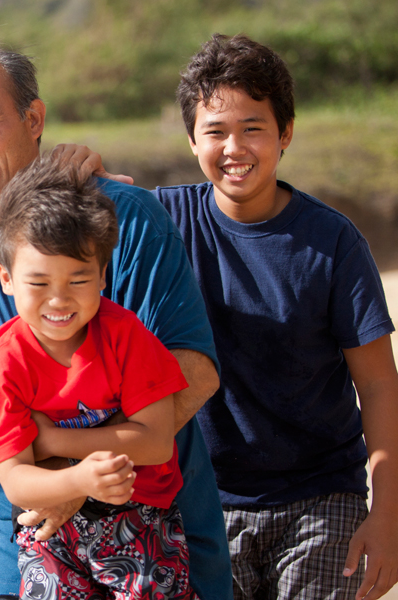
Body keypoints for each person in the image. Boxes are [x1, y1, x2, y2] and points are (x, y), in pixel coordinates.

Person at [0, 40, 232, 600]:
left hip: (157, 540)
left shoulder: (127, 220)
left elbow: (194, 371)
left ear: (34, 118)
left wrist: (75, 478)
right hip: (25, 543)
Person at [155, 34, 398, 600]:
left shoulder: (332, 241)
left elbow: (379, 382)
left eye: (253, 128)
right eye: (214, 131)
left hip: (321, 497)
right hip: (201, 499)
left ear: (285, 133)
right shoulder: (162, 222)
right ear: (192, 140)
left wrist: (386, 514)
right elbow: (63, 251)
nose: (233, 146)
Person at [0, 154, 194, 598]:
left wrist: (54, 442)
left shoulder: (124, 335)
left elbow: (155, 441)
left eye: (78, 280)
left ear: (102, 276)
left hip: (142, 522)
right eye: (38, 283)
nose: (58, 300)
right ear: (6, 278)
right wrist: (78, 481)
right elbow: (17, 480)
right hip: (50, 535)